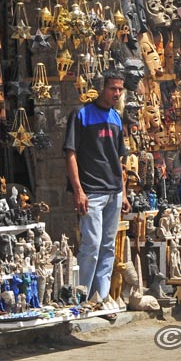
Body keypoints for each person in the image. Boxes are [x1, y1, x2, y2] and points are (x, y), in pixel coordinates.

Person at [64, 70, 130, 308]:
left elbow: (119, 159)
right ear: (102, 88)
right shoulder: (81, 114)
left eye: (120, 89)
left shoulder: (116, 118)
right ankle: (80, 297)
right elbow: (70, 153)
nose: (117, 93)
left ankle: (100, 298)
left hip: (113, 191)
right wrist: (78, 190)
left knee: (108, 247)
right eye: (113, 88)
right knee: (91, 245)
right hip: (91, 191)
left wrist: (123, 192)